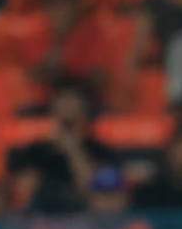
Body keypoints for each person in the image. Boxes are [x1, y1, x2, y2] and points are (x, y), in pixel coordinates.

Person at [7, 79, 113, 215]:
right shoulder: (36, 149)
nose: (67, 105)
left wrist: (73, 150)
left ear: (84, 106)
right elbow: (24, 190)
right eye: (62, 99)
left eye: (72, 99)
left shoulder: (97, 148)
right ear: (53, 106)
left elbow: (92, 189)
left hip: (82, 217)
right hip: (42, 218)